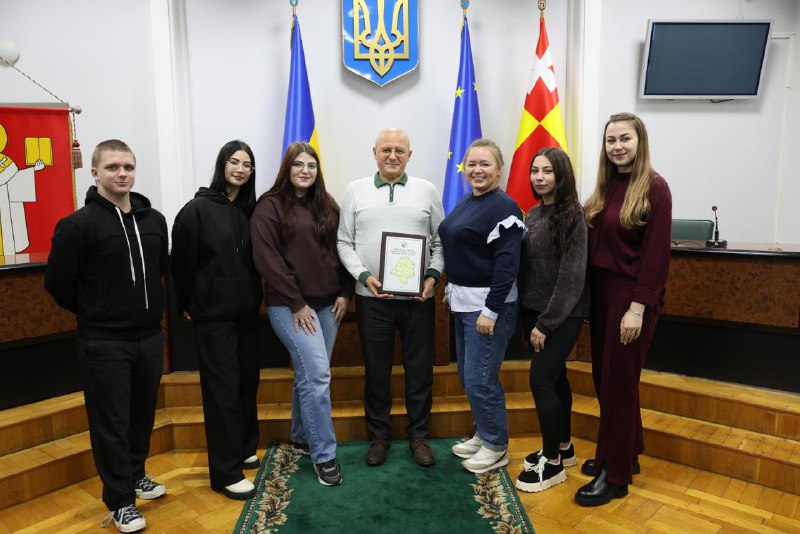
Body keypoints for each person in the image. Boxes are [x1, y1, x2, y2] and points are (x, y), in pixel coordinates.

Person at [44, 139, 168, 533]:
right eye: (113, 167)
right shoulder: (77, 225)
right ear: (95, 172)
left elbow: (160, 270)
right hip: (104, 342)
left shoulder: (154, 221)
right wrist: (97, 312)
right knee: (111, 422)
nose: (122, 174)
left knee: (141, 414)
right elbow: (58, 283)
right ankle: (119, 501)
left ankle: (135, 475)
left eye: (128, 167)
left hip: (149, 337)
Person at [575, 112, 672, 507]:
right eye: (611, 139)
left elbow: (656, 256)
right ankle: (624, 454)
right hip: (601, 295)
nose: (617, 146)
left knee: (617, 383)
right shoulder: (605, 186)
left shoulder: (655, 188)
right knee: (608, 379)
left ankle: (614, 477)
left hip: (631, 297)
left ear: (639, 141)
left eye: (624, 139)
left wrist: (637, 307)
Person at [337, 127, 444, 467]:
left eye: (400, 150)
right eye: (386, 150)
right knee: (377, 369)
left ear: (409, 155)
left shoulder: (426, 190)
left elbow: (441, 243)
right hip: (372, 300)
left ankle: (419, 436)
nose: (393, 155)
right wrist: (364, 277)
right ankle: (379, 435)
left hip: (418, 300)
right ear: (374, 153)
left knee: (419, 369)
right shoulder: (355, 190)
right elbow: (343, 242)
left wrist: (431, 276)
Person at [251, 142, 352, 486]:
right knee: (319, 376)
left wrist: (345, 292)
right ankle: (324, 455)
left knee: (308, 375)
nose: (306, 170)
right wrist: (296, 302)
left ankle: (300, 437)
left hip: (328, 305)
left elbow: (342, 249)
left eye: (311, 165)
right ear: (287, 169)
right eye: (299, 165)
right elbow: (268, 260)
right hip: (289, 307)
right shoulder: (270, 206)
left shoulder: (327, 204)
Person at [170, 140, 263, 500]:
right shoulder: (195, 210)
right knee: (221, 391)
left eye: (247, 164)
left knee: (245, 382)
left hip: (246, 314)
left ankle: (242, 447)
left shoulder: (250, 210)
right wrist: (188, 302)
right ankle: (224, 473)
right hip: (213, 316)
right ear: (221, 164)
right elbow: (181, 265)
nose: (240, 169)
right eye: (234, 161)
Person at [439, 138, 524, 474]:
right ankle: (484, 431)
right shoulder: (468, 201)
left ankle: (496, 445)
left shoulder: (504, 207)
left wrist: (491, 310)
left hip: (489, 309)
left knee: (481, 378)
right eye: (471, 164)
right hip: (463, 304)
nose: (477, 170)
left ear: (499, 170)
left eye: (485, 164)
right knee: (468, 375)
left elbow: (507, 265)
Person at [514, 147, 589, 493]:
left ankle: (552, 464)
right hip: (534, 311)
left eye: (547, 171)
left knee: (541, 381)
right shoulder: (532, 213)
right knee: (557, 379)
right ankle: (563, 447)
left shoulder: (574, 215)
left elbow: (572, 277)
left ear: (561, 175)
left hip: (561, 314)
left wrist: (546, 323)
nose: (539, 177)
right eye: (535, 171)